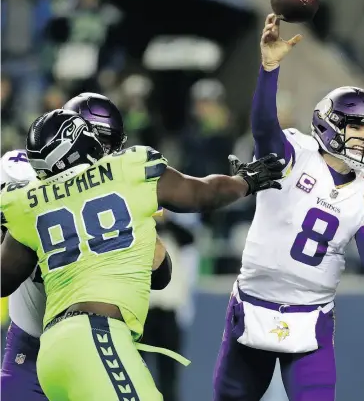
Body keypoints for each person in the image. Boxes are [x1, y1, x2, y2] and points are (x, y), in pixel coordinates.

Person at [0, 109, 284, 400]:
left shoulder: (26, 202)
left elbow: (4, 280)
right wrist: (245, 181)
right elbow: (202, 194)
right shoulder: (128, 170)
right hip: (95, 336)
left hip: (51, 353)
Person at [212, 14, 364, 401]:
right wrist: (269, 68)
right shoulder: (295, 151)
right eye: (357, 127)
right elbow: (264, 127)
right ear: (330, 124)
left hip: (310, 315)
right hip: (252, 302)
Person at [0, 93, 169, 401]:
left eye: (109, 144)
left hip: (96, 341)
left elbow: (161, 275)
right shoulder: (20, 173)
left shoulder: (120, 182)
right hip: (32, 345)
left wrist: (144, 228)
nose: (103, 152)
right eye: (96, 139)